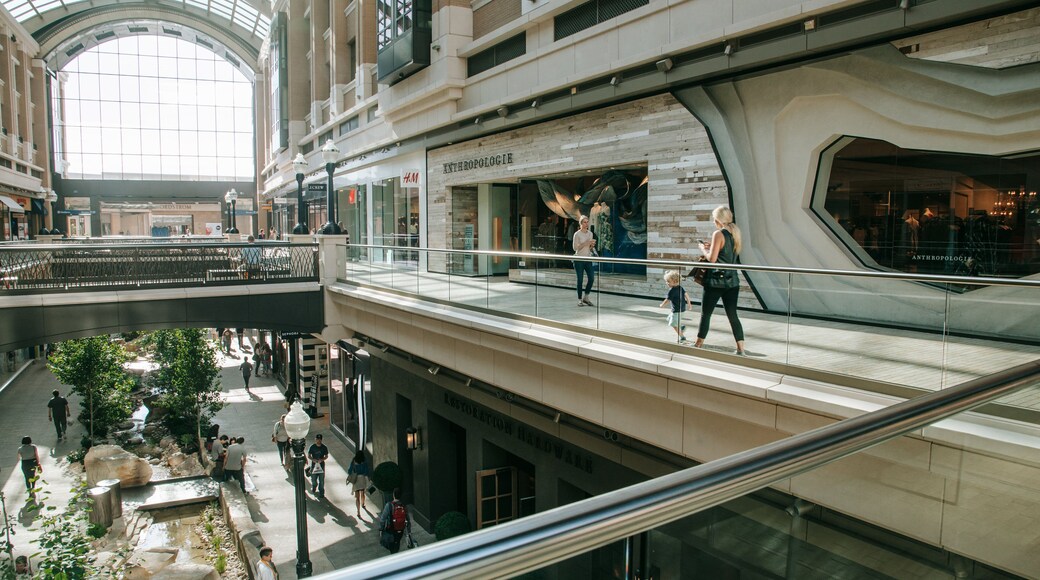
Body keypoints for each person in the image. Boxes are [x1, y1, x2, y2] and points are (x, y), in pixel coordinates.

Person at [695, 205, 746, 356]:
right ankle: (740, 348)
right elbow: (727, 253)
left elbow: (712, 259)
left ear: (718, 219)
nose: (713, 221)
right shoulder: (735, 232)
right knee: (732, 315)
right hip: (733, 281)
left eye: (713, 218)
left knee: (706, 314)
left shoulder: (718, 233)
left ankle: (698, 344)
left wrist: (703, 249)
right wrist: (712, 247)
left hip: (716, 281)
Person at [659, 270, 693, 343]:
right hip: (682, 309)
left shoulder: (672, 290)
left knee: (673, 325)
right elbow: (686, 295)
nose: (666, 283)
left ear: (674, 281)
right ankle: (681, 327)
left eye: (668, 281)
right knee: (669, 319)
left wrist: (662, 305)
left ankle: (682, 337)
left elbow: (667, 300)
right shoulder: (680, 287)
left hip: (677, 311)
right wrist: (689, 303)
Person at [572, 215, 596, 307]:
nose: (587, 224)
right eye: (585, 222)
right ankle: (579, 299)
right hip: (579, 259)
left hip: (588, 258)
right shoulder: (577, 234)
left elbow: (589, 248)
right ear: (581, 224)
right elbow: (575, 248)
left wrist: (591, 245)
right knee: (580, 280)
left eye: (587, 222)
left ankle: (586, 297)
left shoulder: (590, 234)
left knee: (591, 278)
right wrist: (585, 243)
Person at [378, 488, 411, 554]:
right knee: (397, 543)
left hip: (391, 530)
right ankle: (395, 552)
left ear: (393, 495)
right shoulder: (403, 506)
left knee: (391, 545)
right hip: (400, 530)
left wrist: (381, 529)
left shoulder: (389, 505)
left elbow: (383, 519)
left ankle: (394, 555)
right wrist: (409, 531)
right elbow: (408, 519)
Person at [347, 451, 370, 517]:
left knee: (357, 497)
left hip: (356, 479)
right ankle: (363, 503)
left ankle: (358, 512)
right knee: (362, 493)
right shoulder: (364, 461)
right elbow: (366, 471)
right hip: (362, 479)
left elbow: (349, 470)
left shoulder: (354, 461)